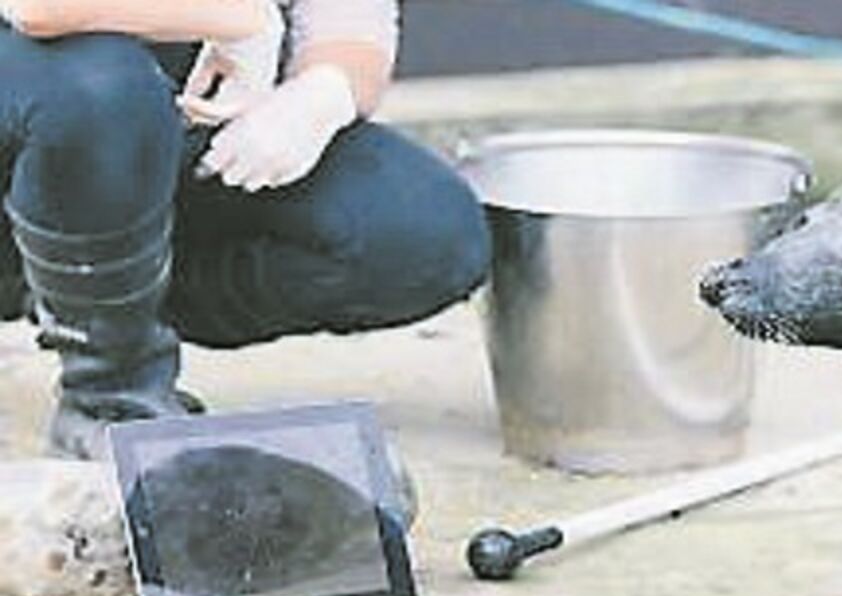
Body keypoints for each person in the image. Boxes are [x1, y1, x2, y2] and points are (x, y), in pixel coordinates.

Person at [0, 0, 490, 459]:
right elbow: (41, 8)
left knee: (422, 232)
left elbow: (353, 28)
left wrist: (322, 94)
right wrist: (242, 18)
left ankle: (91, 291)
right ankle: (110, 401)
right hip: (49, 100)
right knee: (100, 84)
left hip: (159, 137)